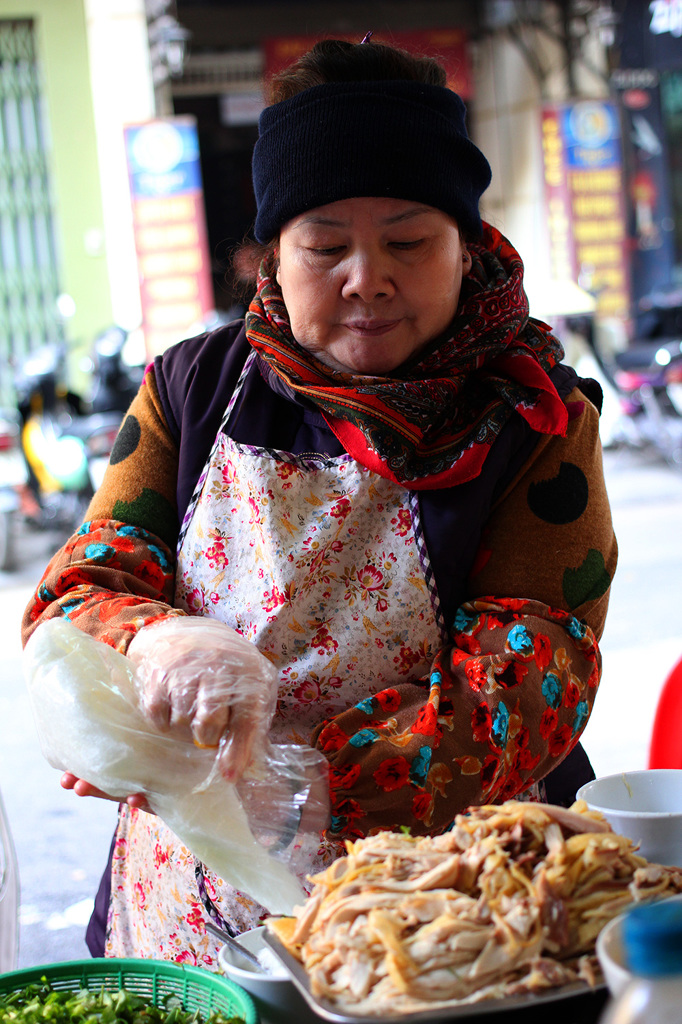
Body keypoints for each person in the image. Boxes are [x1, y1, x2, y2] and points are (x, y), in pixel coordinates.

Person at [22, 37, 617, 967]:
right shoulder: (190, 387)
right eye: (325, 245)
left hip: (458, 894)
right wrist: (150, 638)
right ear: (270, 258)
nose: (366, 277)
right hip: (196, 888)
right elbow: (77, 592)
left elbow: (537, 671)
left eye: (410, 241)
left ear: (468, 246)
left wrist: (307, 782)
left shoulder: (534, 414)